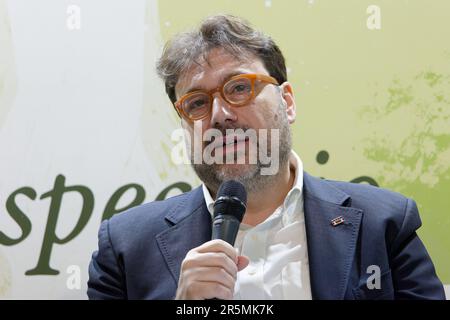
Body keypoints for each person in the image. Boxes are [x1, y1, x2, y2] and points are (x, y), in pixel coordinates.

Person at [87, 14, 445, 300]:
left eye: (239, 87)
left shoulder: (384, 224)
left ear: (287, 102)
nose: (219, 115)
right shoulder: (125, 248)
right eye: (196, 103)